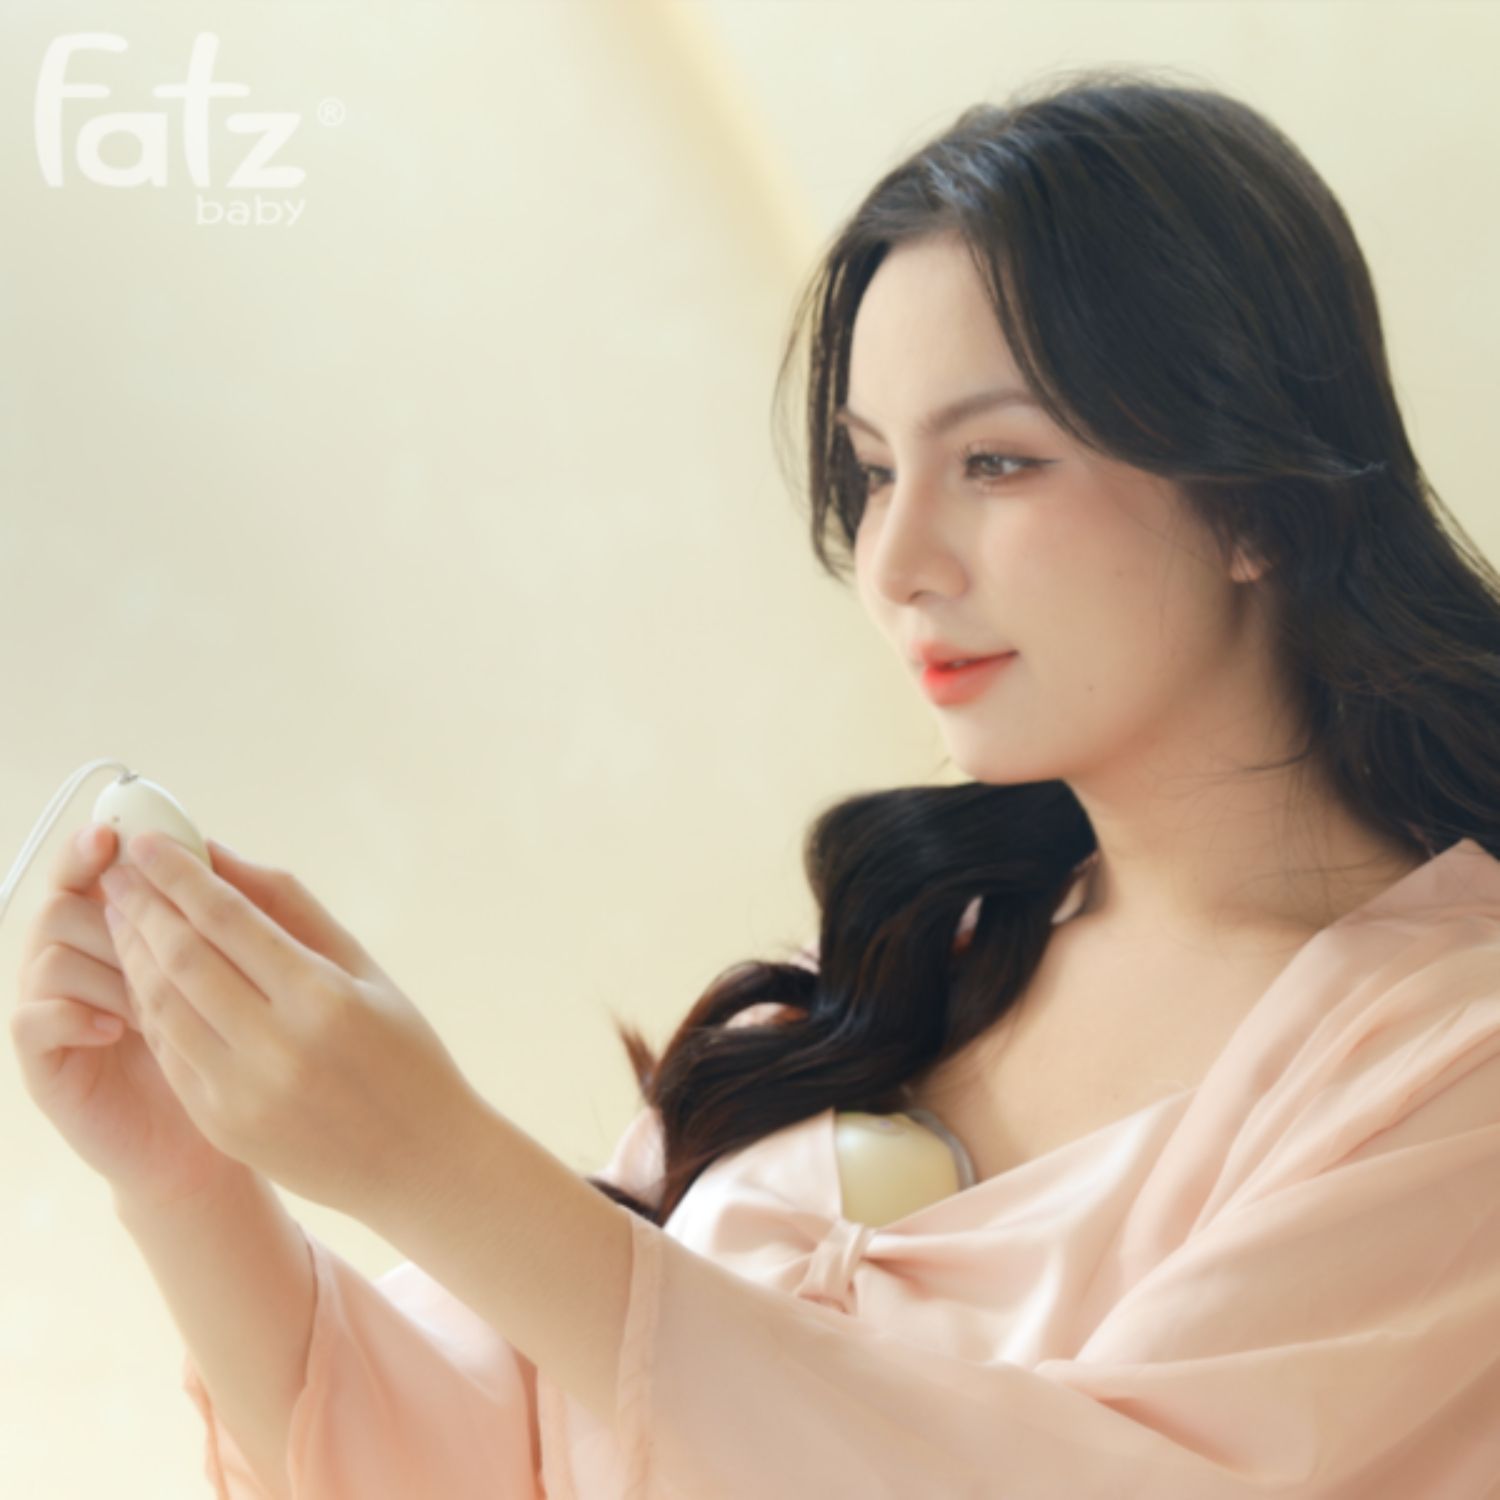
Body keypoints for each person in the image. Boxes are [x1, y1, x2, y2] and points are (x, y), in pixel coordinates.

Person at [14, 64, 1500, 1498]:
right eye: (874, 471)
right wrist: (186, 1177)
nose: (895, 562)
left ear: (1255, 502)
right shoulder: (913, 960)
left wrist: (437, 1160)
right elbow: (484, 1454)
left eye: (995, 462)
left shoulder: (1449, 1066)